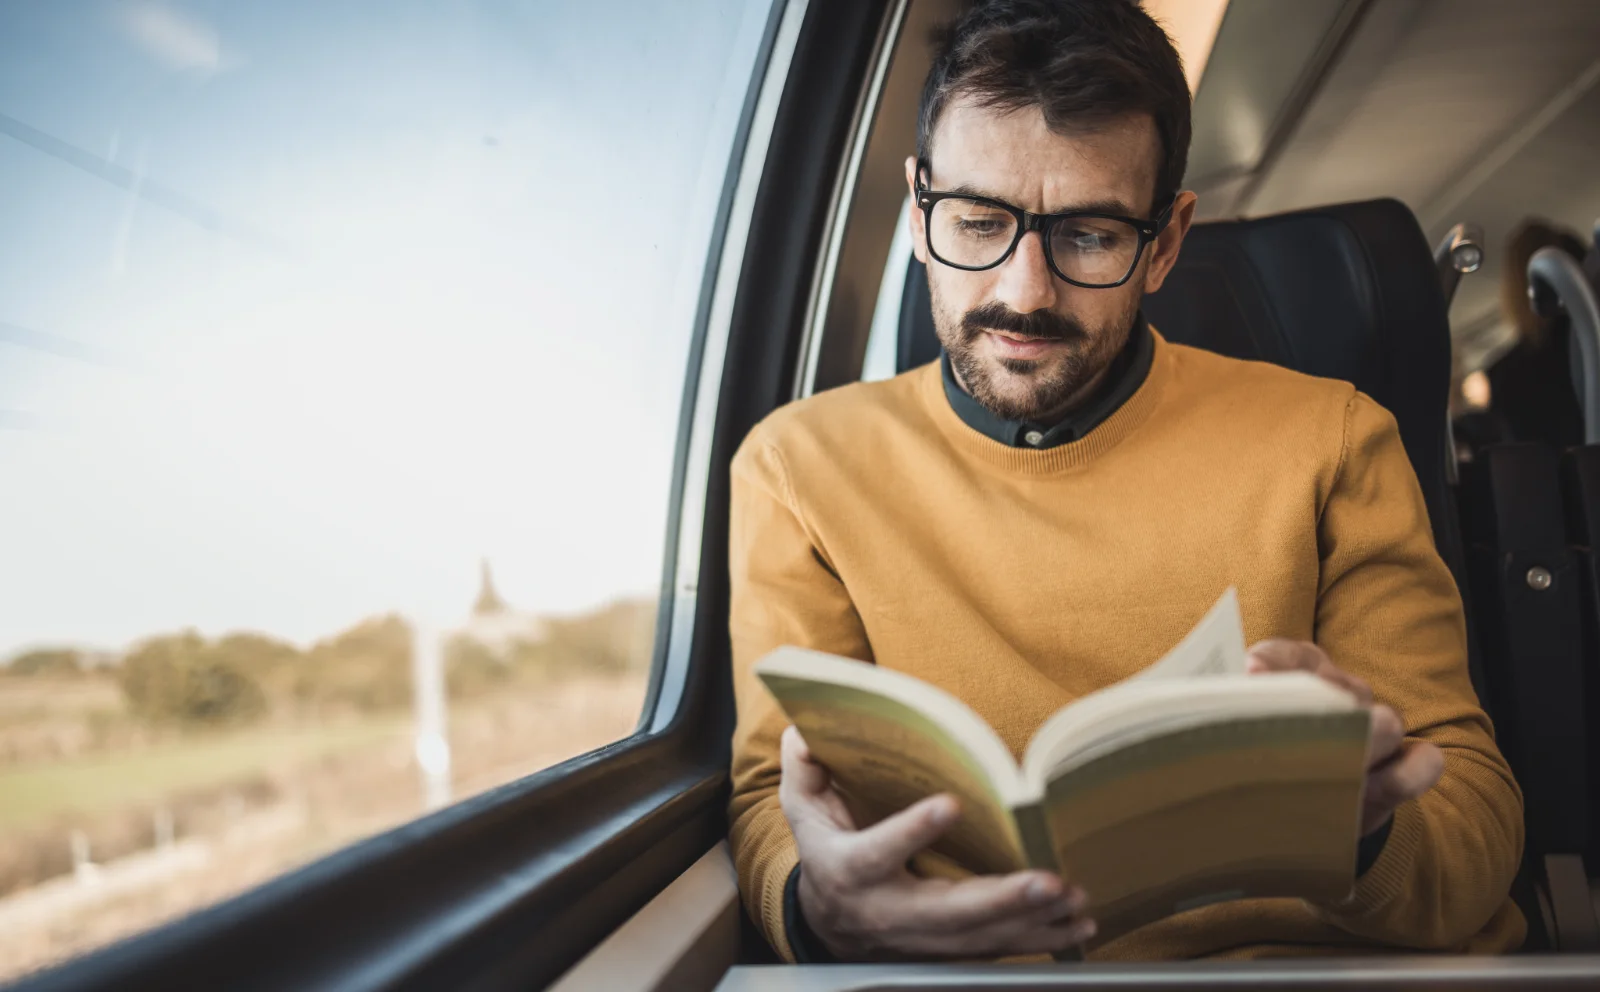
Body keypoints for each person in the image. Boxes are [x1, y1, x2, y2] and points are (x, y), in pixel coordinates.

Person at [727, 0, 1523, 964]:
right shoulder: (795, 467)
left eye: (1091, 237)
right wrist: (819, 909)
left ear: (1167, 241)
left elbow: (1473, 832)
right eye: (977, 221)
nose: (1024, 292)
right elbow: (775, 799)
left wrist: (1361, 830)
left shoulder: (1334, 440)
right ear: (916, 209)